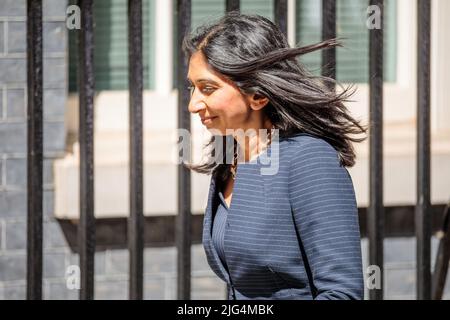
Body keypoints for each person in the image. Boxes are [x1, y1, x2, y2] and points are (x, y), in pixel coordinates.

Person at [183, 12, 368, 300]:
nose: (193, 104)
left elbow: (342, 293)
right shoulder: (228, 158)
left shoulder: (309, 160)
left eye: (208, 88)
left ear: (258, 95)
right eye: (192, 87)